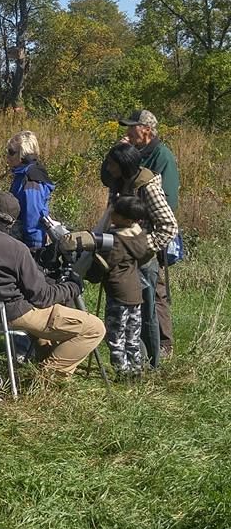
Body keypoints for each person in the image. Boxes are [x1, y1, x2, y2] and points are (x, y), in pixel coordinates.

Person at [0, 192, 105, 379]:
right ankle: (49, 376)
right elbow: (42, 297)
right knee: (95, 328)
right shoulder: (16, 249)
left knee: (47, 319)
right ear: (12, 222)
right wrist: (73, 286)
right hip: (14, 312)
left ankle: (44, 357)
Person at [100, 142, 178, 368]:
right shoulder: (118, 184)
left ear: (122, 165)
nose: (109, 168)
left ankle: (153, 365)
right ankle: (135, 362)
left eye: (112, 164)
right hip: (122, 260)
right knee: (125, 317)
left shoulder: (147, 185)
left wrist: (143, 247)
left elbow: (169, 225)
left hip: (143, 262)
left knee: (147, 314)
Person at [118, 109, 180, 359]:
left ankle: (163, 346)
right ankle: (146, 345)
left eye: (132, 127)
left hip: (152, 232)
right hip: (135, 232)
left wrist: (150, 241)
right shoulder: (139, 152)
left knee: (157, 290)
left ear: (146, 129)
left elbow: (168, 199)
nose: (127, 132)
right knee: (147, 290)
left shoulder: (161, 155)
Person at [85, 196, 153, 379]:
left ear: (128, 220)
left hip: (118, 293)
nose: (112, 215)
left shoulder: (116, 241)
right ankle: (136, 370)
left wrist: (88, 272)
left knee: (115, 336)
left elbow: (105, 264)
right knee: (132, 335)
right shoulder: (140, 235)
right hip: (135, 291)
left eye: (116, 213)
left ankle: (122, 372)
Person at [5, 130, 55, 254]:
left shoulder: (31, 179)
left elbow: (33, 216)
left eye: (11, 152)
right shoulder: (22, 174)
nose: (7, 156)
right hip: (19, 242)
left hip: (28, 246)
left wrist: (33, 250)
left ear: (23, 154)